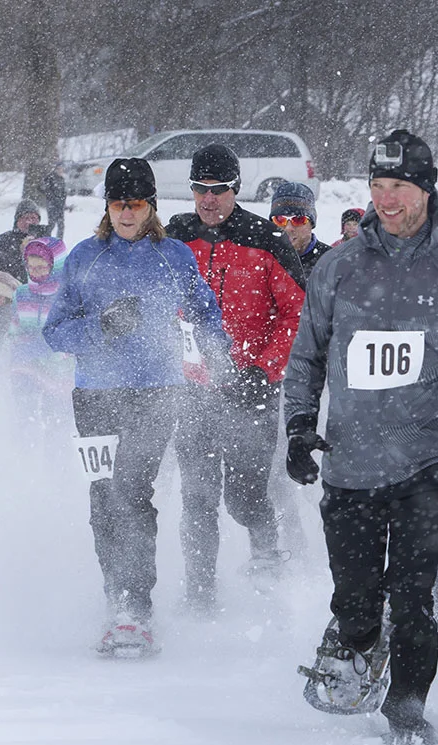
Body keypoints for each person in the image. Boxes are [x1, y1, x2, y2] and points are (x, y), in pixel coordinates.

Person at [285, 129, 438, 745]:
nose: (387, 200)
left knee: (415, 597)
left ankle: (408, 705)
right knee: (356, 600)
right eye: (378, 187)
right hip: (351, 462)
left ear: (426, 190)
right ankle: (357, 636)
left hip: (426, 460)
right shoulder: (337, 267)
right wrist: (300, 424)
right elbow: (305, 358)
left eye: (399, 187)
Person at [41, 158, 227, 656]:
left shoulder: (175, 256)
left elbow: (209, 316)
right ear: (107, 206)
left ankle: (136, 608)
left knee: (133, 490)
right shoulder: (83, 257)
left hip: (155, 393)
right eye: (118, 203)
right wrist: (99, 328)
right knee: (103, 498)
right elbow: (54, 331)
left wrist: (214, 358)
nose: (127, 213)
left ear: (151, 206)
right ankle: (114, 601)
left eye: (136, 203)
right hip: (94, 397)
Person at [166, 143, 306, 612]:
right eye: (200, 190)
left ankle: (268, 562)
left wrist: (264, 370)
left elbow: (296, 312)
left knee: (245, 496)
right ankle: (200, 591)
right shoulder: (175, 236)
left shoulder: (266, 239)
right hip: (193, 391)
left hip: (253, 391)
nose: (208, 200)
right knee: (198, 496)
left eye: (218, 190)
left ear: (235, 190)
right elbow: (156, 299)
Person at [9, 236, 73, 425]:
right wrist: (17, 350)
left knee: (56, 423)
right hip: (26, 369)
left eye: (41, 267)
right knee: (25, 421)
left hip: (59, 374)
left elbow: (69, 337)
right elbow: (14, 330)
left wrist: (45, 348)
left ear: (55, 266)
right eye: (30, 267)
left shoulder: (67, 296)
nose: (34, 273)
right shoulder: (21, 294)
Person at [270, 182, 330, 275]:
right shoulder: (262, 260)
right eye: (280, 220)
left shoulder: (331, 262)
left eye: (298, 219)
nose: (288, 228)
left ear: (312, 223)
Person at [0, 200, 46, 284]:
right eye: (25, 218)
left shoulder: (47, 243)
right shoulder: (1, 242)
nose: (29, 222)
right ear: (17, 221)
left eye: (33, 218)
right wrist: (22, 255)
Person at [39, 163, 68, 239]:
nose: (61, 170)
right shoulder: (50, 177)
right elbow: (44, 189)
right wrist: (52, 198)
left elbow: (63, 192)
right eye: (60, 168)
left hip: (60, 205)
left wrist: (63, 202)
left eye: (62, 169)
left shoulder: (61, 179)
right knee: (51, 224)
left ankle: (59, 241)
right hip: (52, 205)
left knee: (61, 225)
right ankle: (47, 240)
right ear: (56, 169)